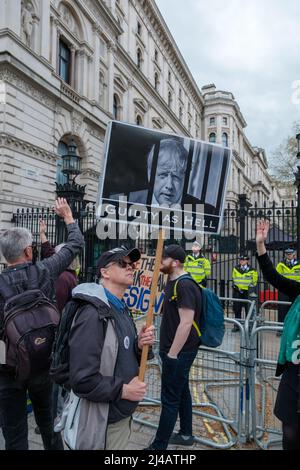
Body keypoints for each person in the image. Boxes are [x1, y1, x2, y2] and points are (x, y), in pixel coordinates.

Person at [0, 198, 84, 450]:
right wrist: (68, 216)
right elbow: (75, 244)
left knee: (14, 434)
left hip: (7, 370)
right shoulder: (44, 270)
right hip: (42, 362)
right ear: (28, 251)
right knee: (48, 424)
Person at [68, 246, 155, 450]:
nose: (130, 267)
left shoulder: (120, 307)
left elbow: (120, 353)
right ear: (105, 272)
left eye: (132, 264)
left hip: (120, 416)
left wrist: (140, 345)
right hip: (103, 423)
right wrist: (124, 390)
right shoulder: (92, 314)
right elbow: (82, 380)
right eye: (122, 263)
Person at [146, 244, 201, 450]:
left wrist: (171, 355)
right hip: (175, 350)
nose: (160, 262)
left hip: (179, 352)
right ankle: (186, 434)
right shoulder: (171, 281)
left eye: (163, 259)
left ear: (175, 262)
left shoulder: (184, 285)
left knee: (169, 399)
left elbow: (186, 323)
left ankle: (158, 447)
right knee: (182, 391)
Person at [256, 219, 300, 450]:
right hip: (294, 375)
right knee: (290, 433)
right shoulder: (298, 291)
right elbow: (273, 276)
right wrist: (261, 246)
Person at [128, 138, 188, 208]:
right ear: (150, 174)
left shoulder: (201, 209)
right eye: (163, 175)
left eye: (176, 177)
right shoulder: (124, 202)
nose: (169, 186)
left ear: (185, 179)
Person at [231, 255, 258, 332]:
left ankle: (248, 325)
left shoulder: (252, 270)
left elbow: (254, 281)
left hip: (247, 292)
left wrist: (248, 288)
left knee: (248, 309)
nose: (241, 261)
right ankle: (237, 325)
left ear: (247, 261)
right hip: (237, 291)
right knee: (237, 308)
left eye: (243, 260)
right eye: (240, 260)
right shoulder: (236, 269)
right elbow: (234, 278)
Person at [276, 248, 300, 326]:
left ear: (294, 254)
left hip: (296, 289)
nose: (288, 256)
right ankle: (280, 328)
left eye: (290, 254)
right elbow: (277, 277)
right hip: (284, 290)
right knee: (282, 309)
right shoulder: (281, 264)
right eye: (287, 254)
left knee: (295, 309)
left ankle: (294, 328)